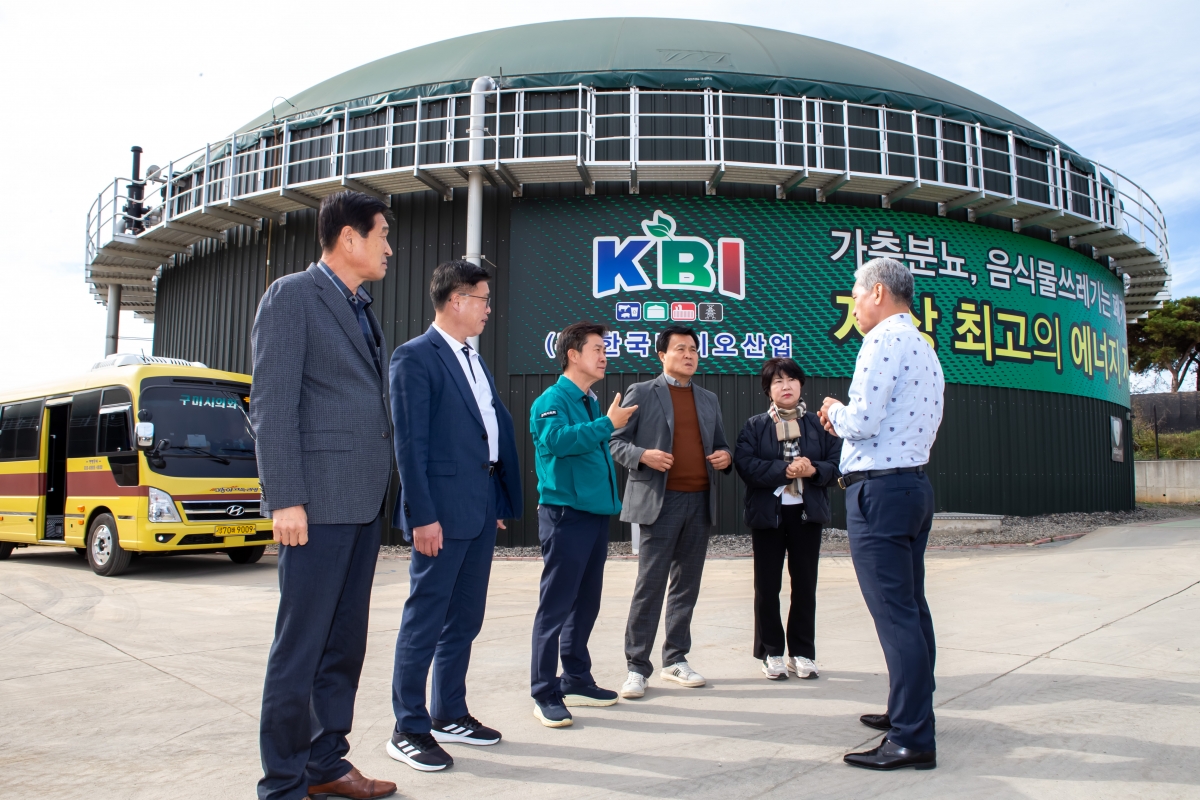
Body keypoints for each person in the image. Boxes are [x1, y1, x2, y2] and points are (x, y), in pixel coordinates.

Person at [251, 191, 398, 800]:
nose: (390, 247)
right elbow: (273, 404)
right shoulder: (293, 296)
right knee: (301, 648)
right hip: (314, 505)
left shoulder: (361, 307)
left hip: (360, 502)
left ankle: (326, 765)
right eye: (383, 234)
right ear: (348, 238)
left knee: (344, 645)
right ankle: (282, 783)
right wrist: (285, 497)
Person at [387, 259, 523, 772]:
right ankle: (408, 726)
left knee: (465, 618)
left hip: (479, 505)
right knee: (425, 619)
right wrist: (421, 516)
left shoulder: (472, 358)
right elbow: (410, 444)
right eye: (484, 299)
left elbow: (486, 432)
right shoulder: (415, 357)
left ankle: (449, 713)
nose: (490, 309)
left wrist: (495, 503)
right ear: (457, 300)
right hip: (439, 514)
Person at [817, 256, 945, 771]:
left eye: (855, 290)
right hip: (911, 487)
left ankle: (912, 737)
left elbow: (865, 420)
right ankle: (908, 711)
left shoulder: (882, 340)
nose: (853, 300)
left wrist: (832, 412)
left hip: (880, 493)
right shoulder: (922, 344)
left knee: (896, 617)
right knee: (911, 609)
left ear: (876, 293)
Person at [610, 325, 733, 699]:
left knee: (686, 585)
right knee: (650, 585)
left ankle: (676, 658)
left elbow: (723, 447)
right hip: (659, 503)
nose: (689, 355)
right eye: (680, 349)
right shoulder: (643, 393)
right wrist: (643, 455)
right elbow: (615, 441)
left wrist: (726, 458)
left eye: (694, 349)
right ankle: (636, 667)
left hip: (698, 501)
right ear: (661, 355)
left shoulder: (708, 399)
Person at [528, 322, 637, 727]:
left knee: (585, 604)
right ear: (573, 354)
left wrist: (603, 421)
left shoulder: (590, 401)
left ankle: (575, 677)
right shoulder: (551, 399)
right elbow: (557, 441)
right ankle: (543, 691)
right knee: (555, 606)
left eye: (604, 348)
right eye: (596, 348)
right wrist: (607, 423)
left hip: (593, 515)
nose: (604, 355)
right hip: (564, 516)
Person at [734, 358, 842, 681]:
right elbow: (746, 465)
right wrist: (785, 470)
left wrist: (813, 470)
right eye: (778, 381)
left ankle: (803, 653)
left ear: (801, 385)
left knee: (805, 585)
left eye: (792, 380)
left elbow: (836, 462)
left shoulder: (817, 425)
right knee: (767, 586)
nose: (786, 386)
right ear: (768, 389)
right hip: (769, 515)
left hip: (806, 514)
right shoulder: (755, 426)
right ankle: (771, 652)